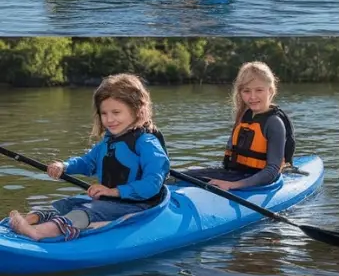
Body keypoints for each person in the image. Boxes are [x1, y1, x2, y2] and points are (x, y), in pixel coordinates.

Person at [6, 74, 169, 241]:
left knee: (85, 211)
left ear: (137, 110)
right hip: (110, 200)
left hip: (138, 205)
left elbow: (152, 184)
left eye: (116, 112)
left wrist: (113, 191)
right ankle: (25, 221)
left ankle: (37, 232)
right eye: (104, 113)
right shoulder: (108, 141)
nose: (109, 119)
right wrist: (65, 166)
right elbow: (87, 162)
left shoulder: (147, 143)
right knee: (66, 204)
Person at [184, 61, 295, 190]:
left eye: (259, 90)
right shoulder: (245, 116)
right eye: (246, 91)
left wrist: (233, 185)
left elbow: (272, 171)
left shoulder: (274, 123)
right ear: (240, 93)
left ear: (270, 91)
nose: (252, 97)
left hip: (260, 181)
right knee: (179, 176)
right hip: (236, 175)